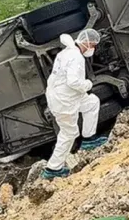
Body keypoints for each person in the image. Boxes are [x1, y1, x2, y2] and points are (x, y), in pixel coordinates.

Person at [42, 29, 107, 180]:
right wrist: (87, 84)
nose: (94, 49)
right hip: (64, 101)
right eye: (94, 46)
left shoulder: (65, 52)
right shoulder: (76, 57)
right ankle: (53, 169)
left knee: (92, 102)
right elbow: (73, 82)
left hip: (65, 97)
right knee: (68, 133)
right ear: (89, 43)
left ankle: (89, 139)